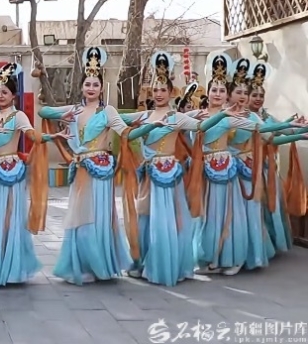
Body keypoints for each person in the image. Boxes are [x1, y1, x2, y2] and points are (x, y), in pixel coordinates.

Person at [38, 48, 158, 285]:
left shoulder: (107, 112)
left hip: (101, 172)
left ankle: (99, 264)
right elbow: (44, 111)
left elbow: (126, 133)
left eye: (95, 84)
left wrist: (151, 126)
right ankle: (83, 264)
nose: (91, 88)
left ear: (102, 88)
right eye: (87, 84)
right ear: (82, 87)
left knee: (99, 217)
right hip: (82, 170)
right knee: (79, 216)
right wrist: (64, 115)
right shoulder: (75, 110)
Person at [119, 52, 227, 286]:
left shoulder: (177, 117)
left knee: (167, 220)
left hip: (169, 175)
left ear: (171, 92)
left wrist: (223, 114)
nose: (158, 93)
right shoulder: (145, 115)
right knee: (144, 217)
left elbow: (201, 126)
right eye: (155, 90)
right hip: (149, 175)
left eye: (162, 90)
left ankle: (165, 265)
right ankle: (142, 262)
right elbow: (119, 120)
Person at [192, 54, 303, 276]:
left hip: (235, 171)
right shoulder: (203, 114)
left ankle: (236, 257)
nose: (243, 96)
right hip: (210, 171)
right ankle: (215, 258)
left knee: (236, 216)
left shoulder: (240, 117)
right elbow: (179, 124)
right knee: (210, 217)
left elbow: (265, 132)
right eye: (215, 90)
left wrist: (295, 129)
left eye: (222, 90)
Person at [0, 63, 68, 290]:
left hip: (11, 172)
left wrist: (54, 136)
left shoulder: (18, 115)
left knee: (9, 218)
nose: (0, 95)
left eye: (5, 92)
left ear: (13, 95)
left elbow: (33, 136)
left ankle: (10, 267)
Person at [248, 61, 308, 254]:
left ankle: (271, 244)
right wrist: (299, 134)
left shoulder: (266, 116)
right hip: (252, 169)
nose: (258, 99)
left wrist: (301, 128)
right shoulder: (246, 118)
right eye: (254, 95)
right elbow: (272, 139)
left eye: (261, 95)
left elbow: (285, 129)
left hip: (270, 168)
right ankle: (259, 247)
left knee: (272, 206)